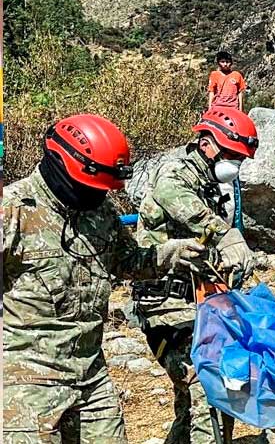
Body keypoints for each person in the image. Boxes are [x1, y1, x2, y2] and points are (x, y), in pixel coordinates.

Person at [3, 114, 205, 443]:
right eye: (91, 188)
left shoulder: (100, 212)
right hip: (28, 381)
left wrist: (170, 253)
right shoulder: (13, 211)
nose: (98, 198)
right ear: (62, 165)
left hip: (91, 375)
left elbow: (126, 261)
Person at [133, 106, 258, 443]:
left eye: (240, 159)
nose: (235, 164)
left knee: (211, 396)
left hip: (200, 301)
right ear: (208, 144)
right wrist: (228, 236)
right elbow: (191, 213)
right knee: (208, 385)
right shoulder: (174, 177)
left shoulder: (211, 186)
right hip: (165, 306)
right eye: (232, 154)